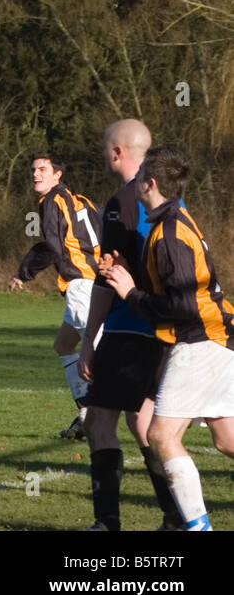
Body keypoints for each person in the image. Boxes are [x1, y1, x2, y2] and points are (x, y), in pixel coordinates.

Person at [102, 146, 234, 531]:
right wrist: (130, 274)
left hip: (199, 342)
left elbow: (183, 306)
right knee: (227, 441)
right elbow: (178, 290)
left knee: (160, 434)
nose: (136, 180)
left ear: (150, 182)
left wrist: (130, 294)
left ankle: (198, 527)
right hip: (216, 339)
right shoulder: (174, 222)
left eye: (141, 172)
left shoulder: (170, 232)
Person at [78, 119, 183, 530]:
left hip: (129, 329)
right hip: (167, 328)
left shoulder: (122, 201)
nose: (106, 155)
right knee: (144, 423)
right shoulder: (169, 198)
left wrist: (89, 338)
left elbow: (108, 280)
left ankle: (107, 524)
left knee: (98, 420)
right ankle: (176, 517)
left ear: (117, 152)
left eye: (106, 149)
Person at [8, 151, 102, 440]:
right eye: (34, 169)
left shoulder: (51, 202)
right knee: (64, 345)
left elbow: (52, 247)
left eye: (43, 169)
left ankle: (160, 404)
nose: (36, 174)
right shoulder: (81, 200)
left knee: (104, 354)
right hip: (97, 283)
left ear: (58, 174)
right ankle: (86, 415)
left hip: (81, 285)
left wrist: (23, 272)